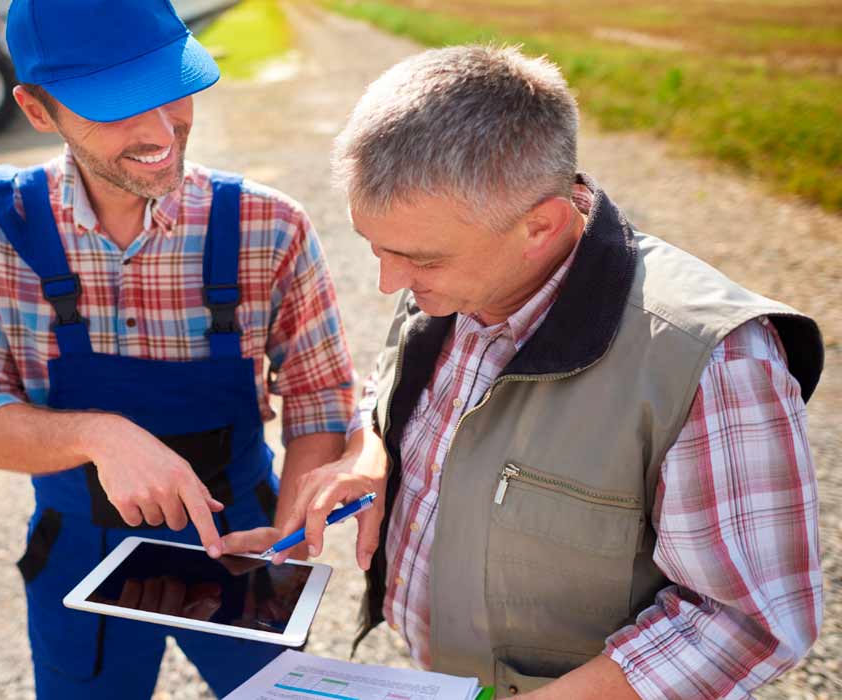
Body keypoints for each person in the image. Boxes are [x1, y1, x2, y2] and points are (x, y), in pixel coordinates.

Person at [245, 45, 824, 698]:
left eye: (419, 261)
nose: (388, 283)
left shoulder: (712, 361)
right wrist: (372, 447)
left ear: (540, 227)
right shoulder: (458, 271)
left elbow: (744, 621)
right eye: (376, 250)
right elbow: (395, 389)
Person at [0, 1, 354, 697]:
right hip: (76, 548)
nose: (161, 130)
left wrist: (290, 533)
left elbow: (319, 396)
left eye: (170, 88)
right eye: (115, 106)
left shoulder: (268, 226)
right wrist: (101, 437)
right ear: (38, 110)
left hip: (243, 538)